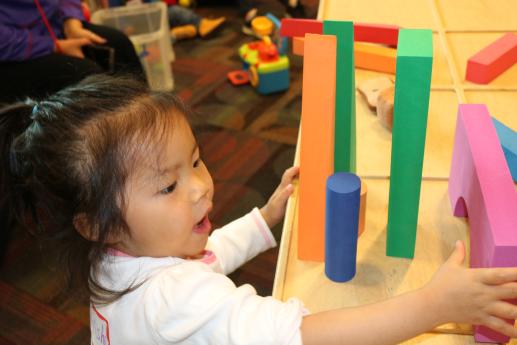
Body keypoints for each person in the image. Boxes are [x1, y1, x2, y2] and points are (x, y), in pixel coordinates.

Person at [1, 75, 517, 344]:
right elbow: (304, 336)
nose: (202, 187)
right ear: (96, 223)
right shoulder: (175, 303)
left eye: (198, 161)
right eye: (168, 186)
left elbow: (201, 261)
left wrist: (264, 217)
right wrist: (434, 305)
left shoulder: (121, 255)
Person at [0, 0, 144, 103]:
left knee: (118, 44)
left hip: (55, 28)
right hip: (12, 52)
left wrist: (72, 24)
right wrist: (55, 46)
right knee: (85, 74)